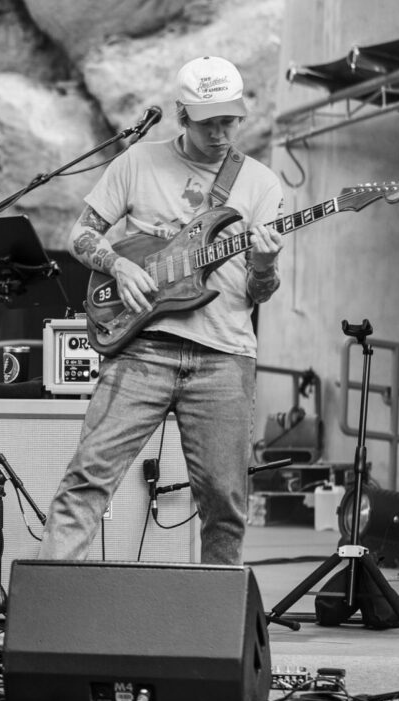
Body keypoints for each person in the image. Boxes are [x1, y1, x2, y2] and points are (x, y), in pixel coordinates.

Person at [37, 56, 284, 566]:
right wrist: (119, 267)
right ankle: (47, 612)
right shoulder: (137, 162)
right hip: (140, 350)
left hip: (224, 357)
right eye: (209, 121)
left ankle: (214, 630)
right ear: (182, 114)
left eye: (229, 120)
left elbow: (260, 293)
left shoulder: (260, 184)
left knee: (225, 503)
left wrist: (264, 264)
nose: (221, 133)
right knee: (87, 480)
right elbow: (81, 233)